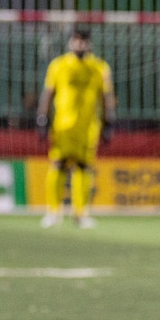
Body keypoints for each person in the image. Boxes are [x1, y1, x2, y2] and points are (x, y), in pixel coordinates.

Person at [36, 29, 115, 230]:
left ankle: (81, 213)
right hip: (63, 126)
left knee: (83, 167)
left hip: (89, 127)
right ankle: (53, 211)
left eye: (84, 41)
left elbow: (106, 97)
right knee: (58, 165)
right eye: (77, 41)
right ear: (70, 43)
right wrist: (42, 118)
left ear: (90, 44)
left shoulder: (99, 67)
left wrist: (109, 122)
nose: (80, 45)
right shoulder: (58, 65)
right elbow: (48, 93)